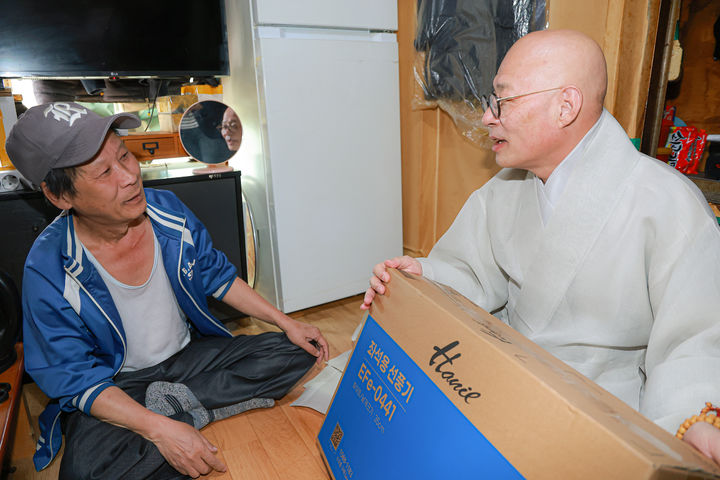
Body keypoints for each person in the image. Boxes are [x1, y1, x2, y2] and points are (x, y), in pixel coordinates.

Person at [363, 29, 720, 464]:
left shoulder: (668, 204)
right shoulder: (505, 189)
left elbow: (696, 338)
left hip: (602, 416)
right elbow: (472, 273)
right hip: (504, 379)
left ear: (565, 106)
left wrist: (689, 416)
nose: (486, 117)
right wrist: (426, 276)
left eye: (503, 100)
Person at [6, 101, 329, 479]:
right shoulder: (48, 268)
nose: (130, 176)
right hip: (118, 384)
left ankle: (177, 408)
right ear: (59, 196)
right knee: (85, 472)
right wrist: (158, 428)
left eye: (124, 156)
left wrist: (286, 322)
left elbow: (217, 276)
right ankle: (178, 415)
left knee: (297, 349)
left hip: (190, 358)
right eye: (104, 172)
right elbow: (76, 379)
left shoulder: (167, 210)